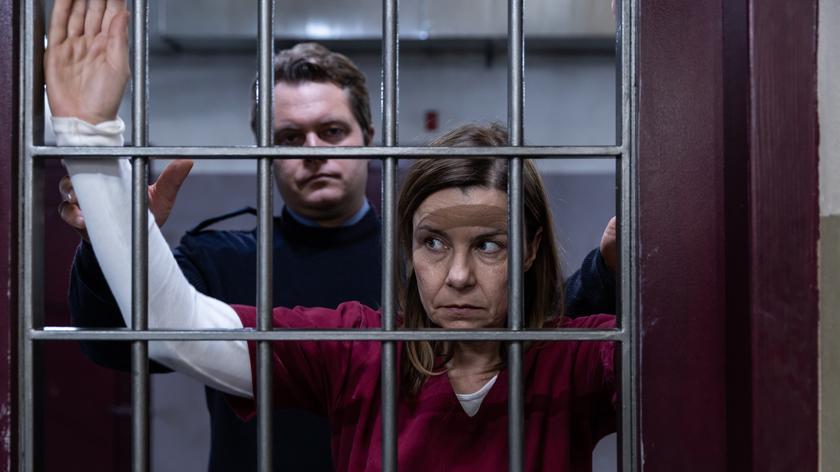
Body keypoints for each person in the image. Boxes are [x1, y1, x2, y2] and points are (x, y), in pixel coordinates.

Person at [47, 0, 617, 470]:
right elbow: (160, 332)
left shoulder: (576, 355)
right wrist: (91, 148)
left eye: (488, 245)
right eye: (433, 244)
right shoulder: (355, 343)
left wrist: (621, 264)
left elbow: (615, 338)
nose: (459, 276)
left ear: (369, 137)